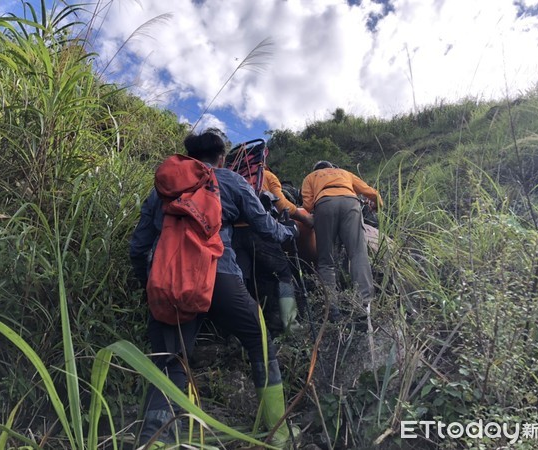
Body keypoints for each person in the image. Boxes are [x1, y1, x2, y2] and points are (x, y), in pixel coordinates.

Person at [130, 130, 299, 448]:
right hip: (220, 275)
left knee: (171, 359)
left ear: (188, 156)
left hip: (168, 280)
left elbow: (138, 247)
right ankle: (278, 433)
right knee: (259, 341)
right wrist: (288, 232)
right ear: (222, 158)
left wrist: (148, 284)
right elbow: (265, 228)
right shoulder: (231, 180)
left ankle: (156, 439)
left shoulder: (161, 190)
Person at [233, 167, 313, 333]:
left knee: (248, 280)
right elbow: (282, 205)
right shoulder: (266, 175)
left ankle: (251, 326)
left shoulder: (231, 176)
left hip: (233, 235)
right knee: (283, 274)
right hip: (259, 231)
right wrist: (305, 219)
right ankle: (290, 325)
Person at [301, 160, 382, 321]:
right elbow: (373, 193)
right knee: (358, 253)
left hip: (324, 205)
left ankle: (333, 311)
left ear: (316, 169)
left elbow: (308, 205)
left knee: (325, 261)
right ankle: (365, 305)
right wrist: (377, 206)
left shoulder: (310, 177)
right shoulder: (344, 173)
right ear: (332, 167)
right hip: (350, 202)